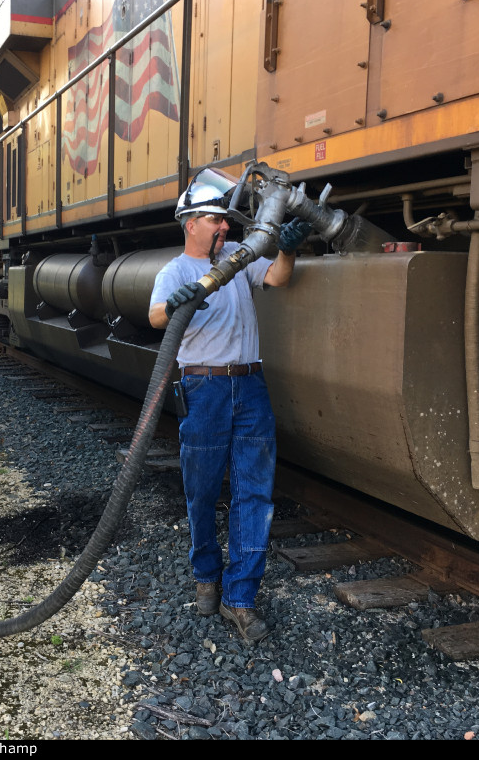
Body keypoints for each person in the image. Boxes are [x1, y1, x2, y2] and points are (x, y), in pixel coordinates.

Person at [148, 170, 310, 642]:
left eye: (225, 220)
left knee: (254, 491)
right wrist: (177, 303)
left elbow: (278, 276)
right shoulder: (175, 271)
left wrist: (287, 248)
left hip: (250, 384)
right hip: (205, 389)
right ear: (190, 224)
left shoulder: (239, 257)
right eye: (214, 219)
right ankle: (206, 575)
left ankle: (240, 598)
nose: (224, 226)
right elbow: (155, 316)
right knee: (201, 490)